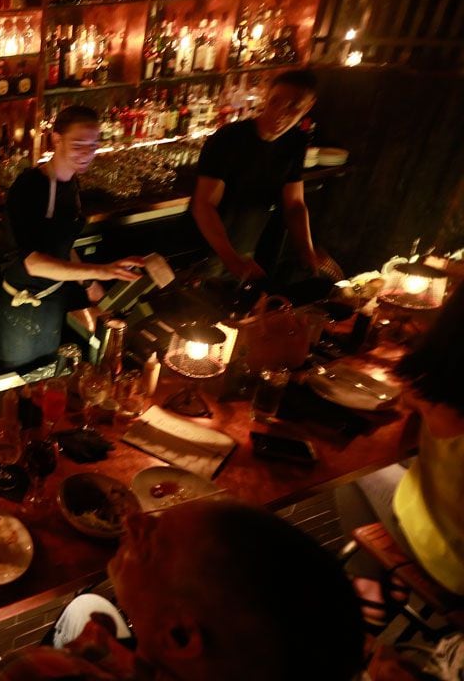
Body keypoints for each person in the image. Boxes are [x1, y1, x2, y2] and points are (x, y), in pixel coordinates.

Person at [0, 501, 365, 681]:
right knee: (89, 604)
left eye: (155, 541)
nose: (132, 520)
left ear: (181, 636)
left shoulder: (32, 673)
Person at [337, 285, 464, 623]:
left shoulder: (436, 391)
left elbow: (408, 398)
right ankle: (381, 580)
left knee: (351, 473)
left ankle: (370, 587)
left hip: (450, 563)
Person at [0, 106, 143, 369]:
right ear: (56, 139)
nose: (87, 154)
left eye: (93, 146)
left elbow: (61, 245)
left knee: (51, 372)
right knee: (22, 380)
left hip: (54, 297)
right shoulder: (29, 186)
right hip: (23, 303)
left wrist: (89, 283)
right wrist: (101, 271)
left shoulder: (71, 184)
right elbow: (33, 262)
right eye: (78, 145)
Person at [190, 69, 338, 282]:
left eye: (293, 106)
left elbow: (295, 204)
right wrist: (230, 259)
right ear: (266, 96)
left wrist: (307, 249)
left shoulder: (295, 141)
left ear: (308, 106)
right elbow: (204, 204)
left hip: (247, 247)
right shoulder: (229, 138)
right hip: (208, 250)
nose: (280, 113)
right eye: (275, 101)